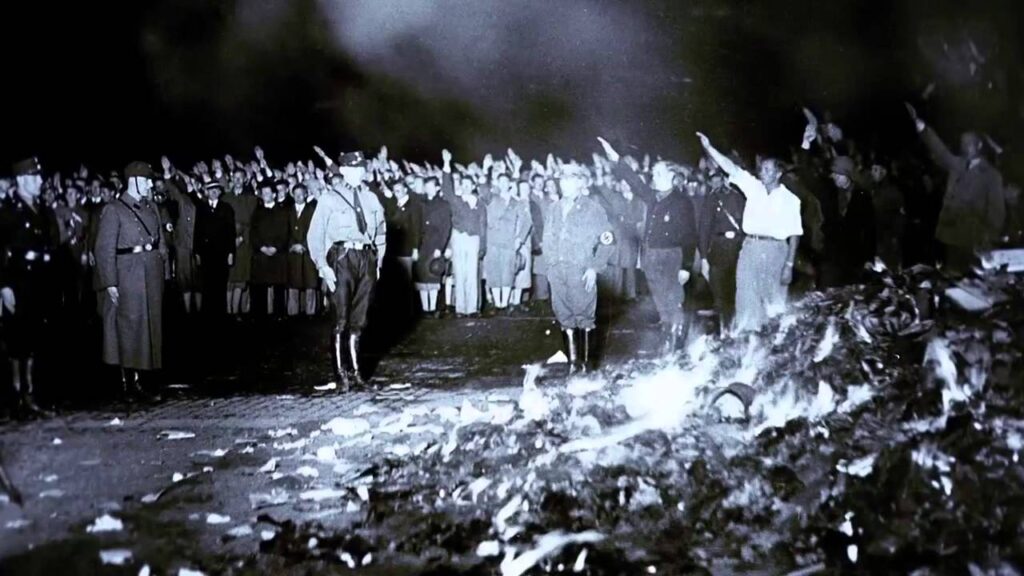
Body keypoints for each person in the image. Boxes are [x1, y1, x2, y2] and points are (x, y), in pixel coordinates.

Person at [697, 132, 803, 333]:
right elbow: (731, 168)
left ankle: (773, 348)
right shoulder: (753, 187)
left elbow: (795, 234)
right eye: (761, 168)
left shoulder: (790, 200)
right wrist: (709, 148)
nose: (761, 172)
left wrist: (789, 265)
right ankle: (746, 342)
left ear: (778, 173)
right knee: (746, 298)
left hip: (776, 251)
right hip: (750, 249)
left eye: (766, 169)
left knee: (774, 303)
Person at [600, 138, 698, 350]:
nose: (654, 176)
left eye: (658, 173)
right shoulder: (653, 197)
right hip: (651, 257)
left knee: (674, 302)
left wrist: (686, 267)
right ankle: (667, 342)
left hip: (671, 257)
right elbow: (634, 181)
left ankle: (676, 347)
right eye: (654, 173)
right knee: (661, 303)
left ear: (672, 177)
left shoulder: (682, 202)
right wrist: (615, 158)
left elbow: (690, 237)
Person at [307, 151, 387, 389]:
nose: (359, 172)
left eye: (362, 168)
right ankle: (340, 376)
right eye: (354, 169)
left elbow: (381, 232)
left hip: (366, 258)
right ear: (343, 171)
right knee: (340, 319)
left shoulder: (371, 198)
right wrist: (322, 266)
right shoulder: (329, 198)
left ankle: (357, 374)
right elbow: (315, 234)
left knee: (359, 320)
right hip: (341, 258)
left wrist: (378, 262)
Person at [94, 161, 168, 400]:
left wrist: (163, 265)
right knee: (130, 326)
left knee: (150, 326)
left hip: (151, 273)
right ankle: (130, 382)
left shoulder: (152, 207)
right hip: (128, 273)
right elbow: (104, 249)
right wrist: (110, 282)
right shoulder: (114, 210)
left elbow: (160, 241)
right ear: (134, 181)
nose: (150, 184)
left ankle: (147, 377)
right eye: (146, 180)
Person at [906, 103, 1005, 273]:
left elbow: (997, 212)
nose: (965, 147)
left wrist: (988, 241)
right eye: (962, 143)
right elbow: (940, 151)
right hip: (948, 235)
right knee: (948, 278)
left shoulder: (991, 175)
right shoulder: (958, 164)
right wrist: (921, 126)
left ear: (979, 146)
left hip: (971, 241)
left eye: (969, 143)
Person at [0, 158, 60, 416]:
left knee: (36, 336)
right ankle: (18, 395)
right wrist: (4, 286)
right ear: (22, 179)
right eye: (35, 177)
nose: (40, 181)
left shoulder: (42, 209)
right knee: (18, 339)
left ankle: (33, 393)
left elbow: (52, 243)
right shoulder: (9, 211)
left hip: (40, 279)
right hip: (18, 280)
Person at [543, 164, 615, 374]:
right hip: (558, 270)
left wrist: (594, 268)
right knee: (564, 317)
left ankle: (586, 368)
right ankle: (573, 366)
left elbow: (607, 241)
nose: (564, 183)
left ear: (580, 183)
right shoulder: (554, 208)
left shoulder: (593, 209)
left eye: (570, 179)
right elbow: (547, 237)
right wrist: (551, 265)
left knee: (584, 317)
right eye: (562, 179)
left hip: (580, 270)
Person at [698, 172, 745, 331]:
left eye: (725, 178)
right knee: (718, 294)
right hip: (719, 248)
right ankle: (719, 330)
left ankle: (734, 330)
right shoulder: (713, 198)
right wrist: (704, 256)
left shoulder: (741, 197)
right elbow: (704, 229)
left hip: (738, 248)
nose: (723, 182)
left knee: (736, 293)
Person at [442, 155, 487, 316]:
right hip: (458, 238)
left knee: (472, 274)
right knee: (459, 273)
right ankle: (460, 309)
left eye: (469, 184)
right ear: (460, 185)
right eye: (463, 184)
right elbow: (446, 190)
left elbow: (483, 226)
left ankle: (472, 309)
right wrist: (447, 164)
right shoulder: (456, 200)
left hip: (474, 240)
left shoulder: (480, 204)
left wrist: (482, 246)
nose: (466, 187)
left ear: (473, 185)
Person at [483, 173, 529, 314]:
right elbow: (482, 189)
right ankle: (498, 305)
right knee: (494, 273)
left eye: (505, 181)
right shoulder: (491, 198)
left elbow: (527, 222)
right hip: (493, 242)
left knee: (507, 273)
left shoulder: (517, 202)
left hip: (509, 243)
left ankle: (505, 303)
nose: (503, 184)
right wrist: (486, 171)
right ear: (497, 183)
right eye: (500, 181)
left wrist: (519, 239)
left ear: (510, 184)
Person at [827, 156, 876, 284]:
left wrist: (869, 259)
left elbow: (870, 229)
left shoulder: (862, 196)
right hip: (834, 257)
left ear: (847, 175)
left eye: (838, 174)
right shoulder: (830, 194)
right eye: (834, 173)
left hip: (856, 257)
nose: (834, 176)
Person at [193, 181, 236, 319]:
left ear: (219, 192)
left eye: (216, 190)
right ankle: (207, 316)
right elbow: (197, 232)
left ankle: (220, 315)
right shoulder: (201, 208)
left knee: (220, 285)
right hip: (206, 255)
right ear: (206, 192)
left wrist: (230, 253)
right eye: (210, 190)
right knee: (207, 285)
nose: (213, 192)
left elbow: (231, 232)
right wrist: (197, 252)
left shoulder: (226, 208)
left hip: (221, 254)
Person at [413, 176, 452, 317]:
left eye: (431, 187)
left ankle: (433, 307)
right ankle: (425, 309)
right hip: (423, 245)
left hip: (435, 245)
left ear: (437, 188)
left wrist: (440, 248)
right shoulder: (420, 204)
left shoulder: (443, 205)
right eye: (426, 186)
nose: (428, 189)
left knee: (433, 275)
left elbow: (446, 228)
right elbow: (416, 227)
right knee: (422, 277)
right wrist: (415, 248)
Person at [250, 181, 289, 318]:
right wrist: (261, 247)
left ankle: (279, 315)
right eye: (263, 193)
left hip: (277, 255)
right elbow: (253, 233)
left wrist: (275, 247)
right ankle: (259, 316)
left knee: (278, 287)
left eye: (268, 193)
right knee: (260, 287)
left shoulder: (283, 211)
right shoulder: (257, 212)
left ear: (274, 194)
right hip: (261, 255)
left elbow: (285, 232)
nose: (265, 195)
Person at [223, 175, 258, 317]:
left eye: (240, 178)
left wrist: (242, 237)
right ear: (232, 180)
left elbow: (252, 222)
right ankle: (227, 310)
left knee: (240, 279)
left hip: (243, 244)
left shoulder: (250, 199)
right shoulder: (226, 198)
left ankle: (235, 311)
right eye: (235, 178)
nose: (238, 180)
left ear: (244, 180)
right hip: (227, 243)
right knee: (228, 279)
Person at [286, 183, 319, 316]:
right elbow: (284, 231)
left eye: (301, 194)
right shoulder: (288, 211)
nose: (299, 196)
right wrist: (292, 246)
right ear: (292, 195)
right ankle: (293, 313)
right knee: (293, 284)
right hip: (293, 253)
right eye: (296, 194)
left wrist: (304, 245)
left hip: (308, 253)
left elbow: (316, 231)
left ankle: (310, 314)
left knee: (310, 283)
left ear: (306, 194)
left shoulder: (313, 210)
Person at [869, 162, 906, 271]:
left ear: (884, 172)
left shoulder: (892, 192)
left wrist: (895, 236)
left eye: (876, 170)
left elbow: (900, 216)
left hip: (888, 239)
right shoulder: (874, 189)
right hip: (878, 236)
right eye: (872, 169)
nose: (872, 173)